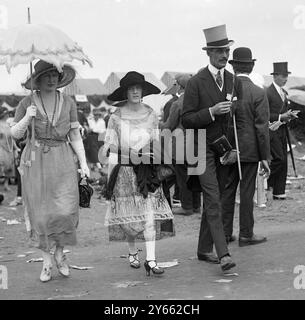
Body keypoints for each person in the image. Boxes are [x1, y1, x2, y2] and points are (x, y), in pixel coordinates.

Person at [10, 60, 90, 282]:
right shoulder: (26, 102)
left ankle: (59, 252)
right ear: (38, 79)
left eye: (56, 75)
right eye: (47, 75)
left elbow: (74, 136)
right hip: (35, 160)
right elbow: (15, 134)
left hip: (63, 159)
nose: (53, 79)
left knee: (65, 210)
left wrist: (83, 163)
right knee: (40, 214)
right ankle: (46, 261)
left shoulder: (68, 103)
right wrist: (28, 116)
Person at [103, 71, 174, 276]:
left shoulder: (151, 113)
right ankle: (132, 250)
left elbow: (155, 139)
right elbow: (110, 147)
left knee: (149, 215)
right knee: (129, 217)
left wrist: (154, 154)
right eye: (131, 88)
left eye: (138, 87)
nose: (135, 91)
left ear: (143, 91)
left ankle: (151, 260)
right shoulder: (115, 117)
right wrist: (130, 152)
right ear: (125, 92)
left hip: (146, 170)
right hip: (124, 170)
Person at [182, 24, 236, 271]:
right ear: (208, 54)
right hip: (200, 147)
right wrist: (211, 113)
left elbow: (235, 118)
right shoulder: (195, 82)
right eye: (218, 51)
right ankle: (223, 253)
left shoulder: (233, 80)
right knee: (213, 198)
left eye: (225, 50)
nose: (224, 55)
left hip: (222, 148)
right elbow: (187, 119)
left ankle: (204, 249)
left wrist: (232, 147)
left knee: (217, 198)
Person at [221, 47, 271, 246]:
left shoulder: (226, 90)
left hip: (227, 149)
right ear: (251, 67)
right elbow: (261, 128)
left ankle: (224, 233)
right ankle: (246, 234)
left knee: (227, 191)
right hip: (249, 151)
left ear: (233, 67)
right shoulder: (258, 92)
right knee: (247, 192)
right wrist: (265, 157)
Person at [160, 73, 201, 215]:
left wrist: (158, 123)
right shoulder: (199, 101)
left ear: (179, 86)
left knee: (183, 177)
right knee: (195, 174)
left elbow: (169, 126)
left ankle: (187, 207)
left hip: (181, 145)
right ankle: (196, 206)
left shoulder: (177, 103)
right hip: (197, 143)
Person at [267, 62, 298, 200]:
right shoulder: (267, 92)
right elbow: (264, 114)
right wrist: (281, 116)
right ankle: (266, 184)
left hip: (282, 130)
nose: (285, 79)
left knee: (284, 160)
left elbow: (283, 112)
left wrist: (289, 116)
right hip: (271, 131)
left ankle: (279, 191)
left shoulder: (283, 92)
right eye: (283, 76)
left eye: (287, 76)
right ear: (275, 76)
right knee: (278, 159)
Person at [0, 106, 15, 191]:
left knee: (9, 168)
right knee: (1, 166)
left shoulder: (8, 124)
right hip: (1, 148)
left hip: (9, 148)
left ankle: (6, 185)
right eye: (6, 113)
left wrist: (15, 148)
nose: (8, 114)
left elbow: (12, 138)